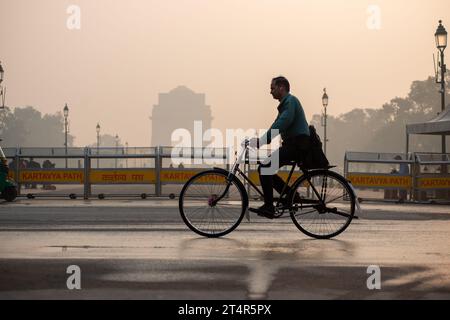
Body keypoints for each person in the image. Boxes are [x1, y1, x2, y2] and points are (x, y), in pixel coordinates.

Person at [248, 76, 310, 219]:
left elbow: (281, 123)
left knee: (265, 168)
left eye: (272, 88)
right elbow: (275, 125)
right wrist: (259, 141)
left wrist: (262, 141)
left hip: (297, 145)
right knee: (265, 168)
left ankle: (270, 206)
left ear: (281, 87)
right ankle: (291, 195)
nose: (270, 92)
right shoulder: (286, 104)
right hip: (294, 144)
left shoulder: (290, 102)